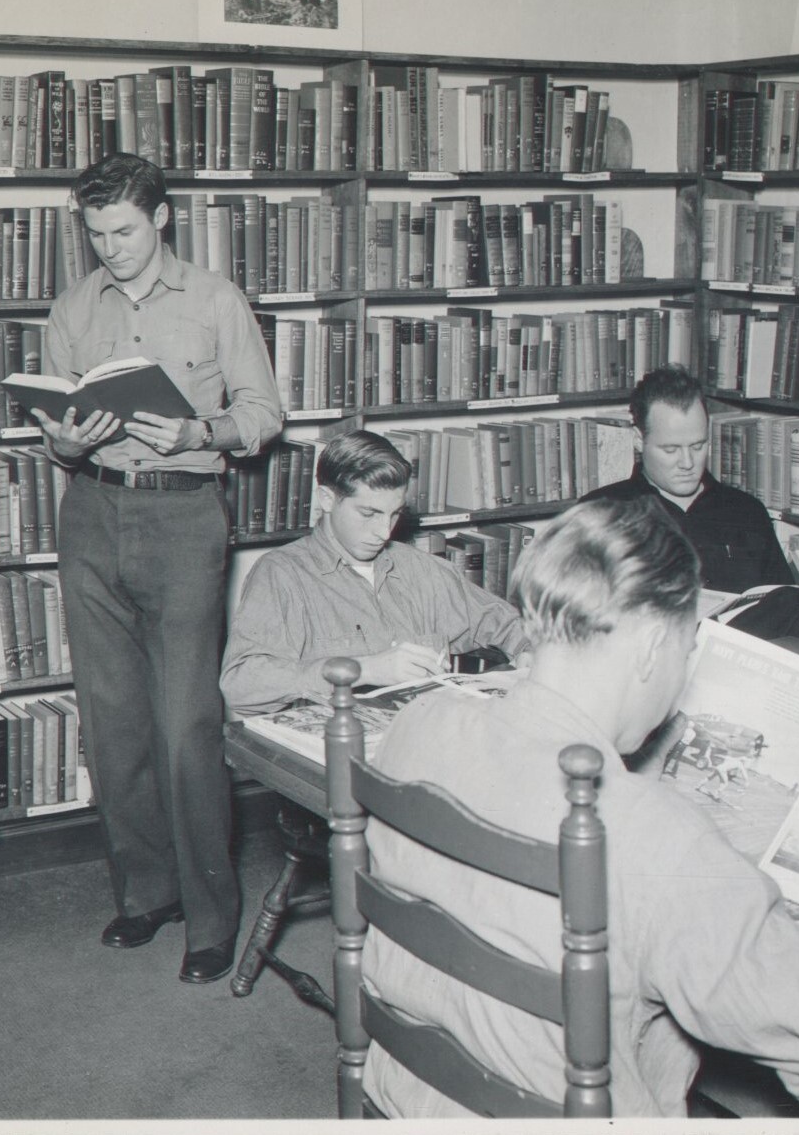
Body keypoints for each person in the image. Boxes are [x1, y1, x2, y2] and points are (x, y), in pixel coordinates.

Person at [362, 497, 799, 1118]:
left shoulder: (419, 723)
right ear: (651, 645)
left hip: (407, 1100)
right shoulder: (651, 838)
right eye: (690, 643)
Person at [30, 152, 283, 985]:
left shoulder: (215, 298)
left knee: (184, 731)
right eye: (96, 234)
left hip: (182, 516)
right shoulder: (71, 307)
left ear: (163, 217)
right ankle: (147, 892)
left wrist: (198, 435)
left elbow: (263, 413)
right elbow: (56, 429)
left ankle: (212, 917)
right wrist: (66, 438)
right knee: (114, 726)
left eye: (126, 230)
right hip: (93, 514)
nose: (112, 248)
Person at [221, 429, 528, 716]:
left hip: (420, 735)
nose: (384, 532)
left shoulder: (417, 568)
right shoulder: (282, 574)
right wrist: (363, 669)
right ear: (327, 499)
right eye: (369, 514)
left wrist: (530, 652)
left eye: (394, 514)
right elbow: (241, 685)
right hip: (337, 748)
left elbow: (503, 622)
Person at [580, 363, 799, 593]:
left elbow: (785, 610)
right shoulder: (598, 513)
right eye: (671, 449)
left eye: (698, 446)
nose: (687, 463)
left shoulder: (747, 512)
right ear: (638, 439)